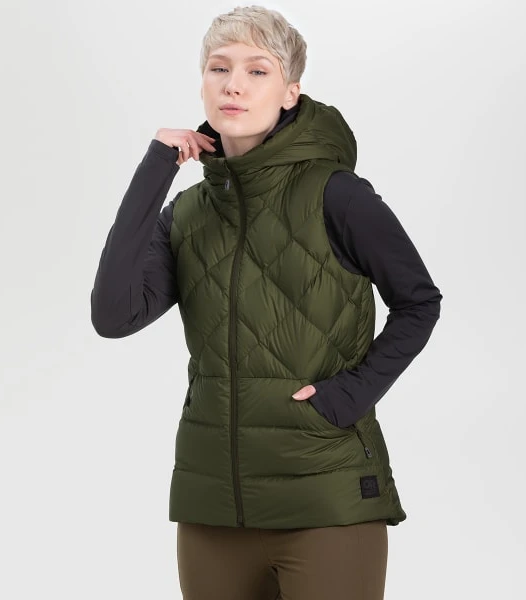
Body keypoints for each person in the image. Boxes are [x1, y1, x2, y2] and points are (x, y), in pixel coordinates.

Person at [90, 5, 442, 599]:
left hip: (324, 498)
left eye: (257, 70)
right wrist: (155, 170)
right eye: (219, 68)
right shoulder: (188, 214)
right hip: (210, 506)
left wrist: (347, 397)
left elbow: (419, 302)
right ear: (202, 82)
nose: (234, 84)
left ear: (290, 93)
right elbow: (113, 315)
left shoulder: (337, 195)